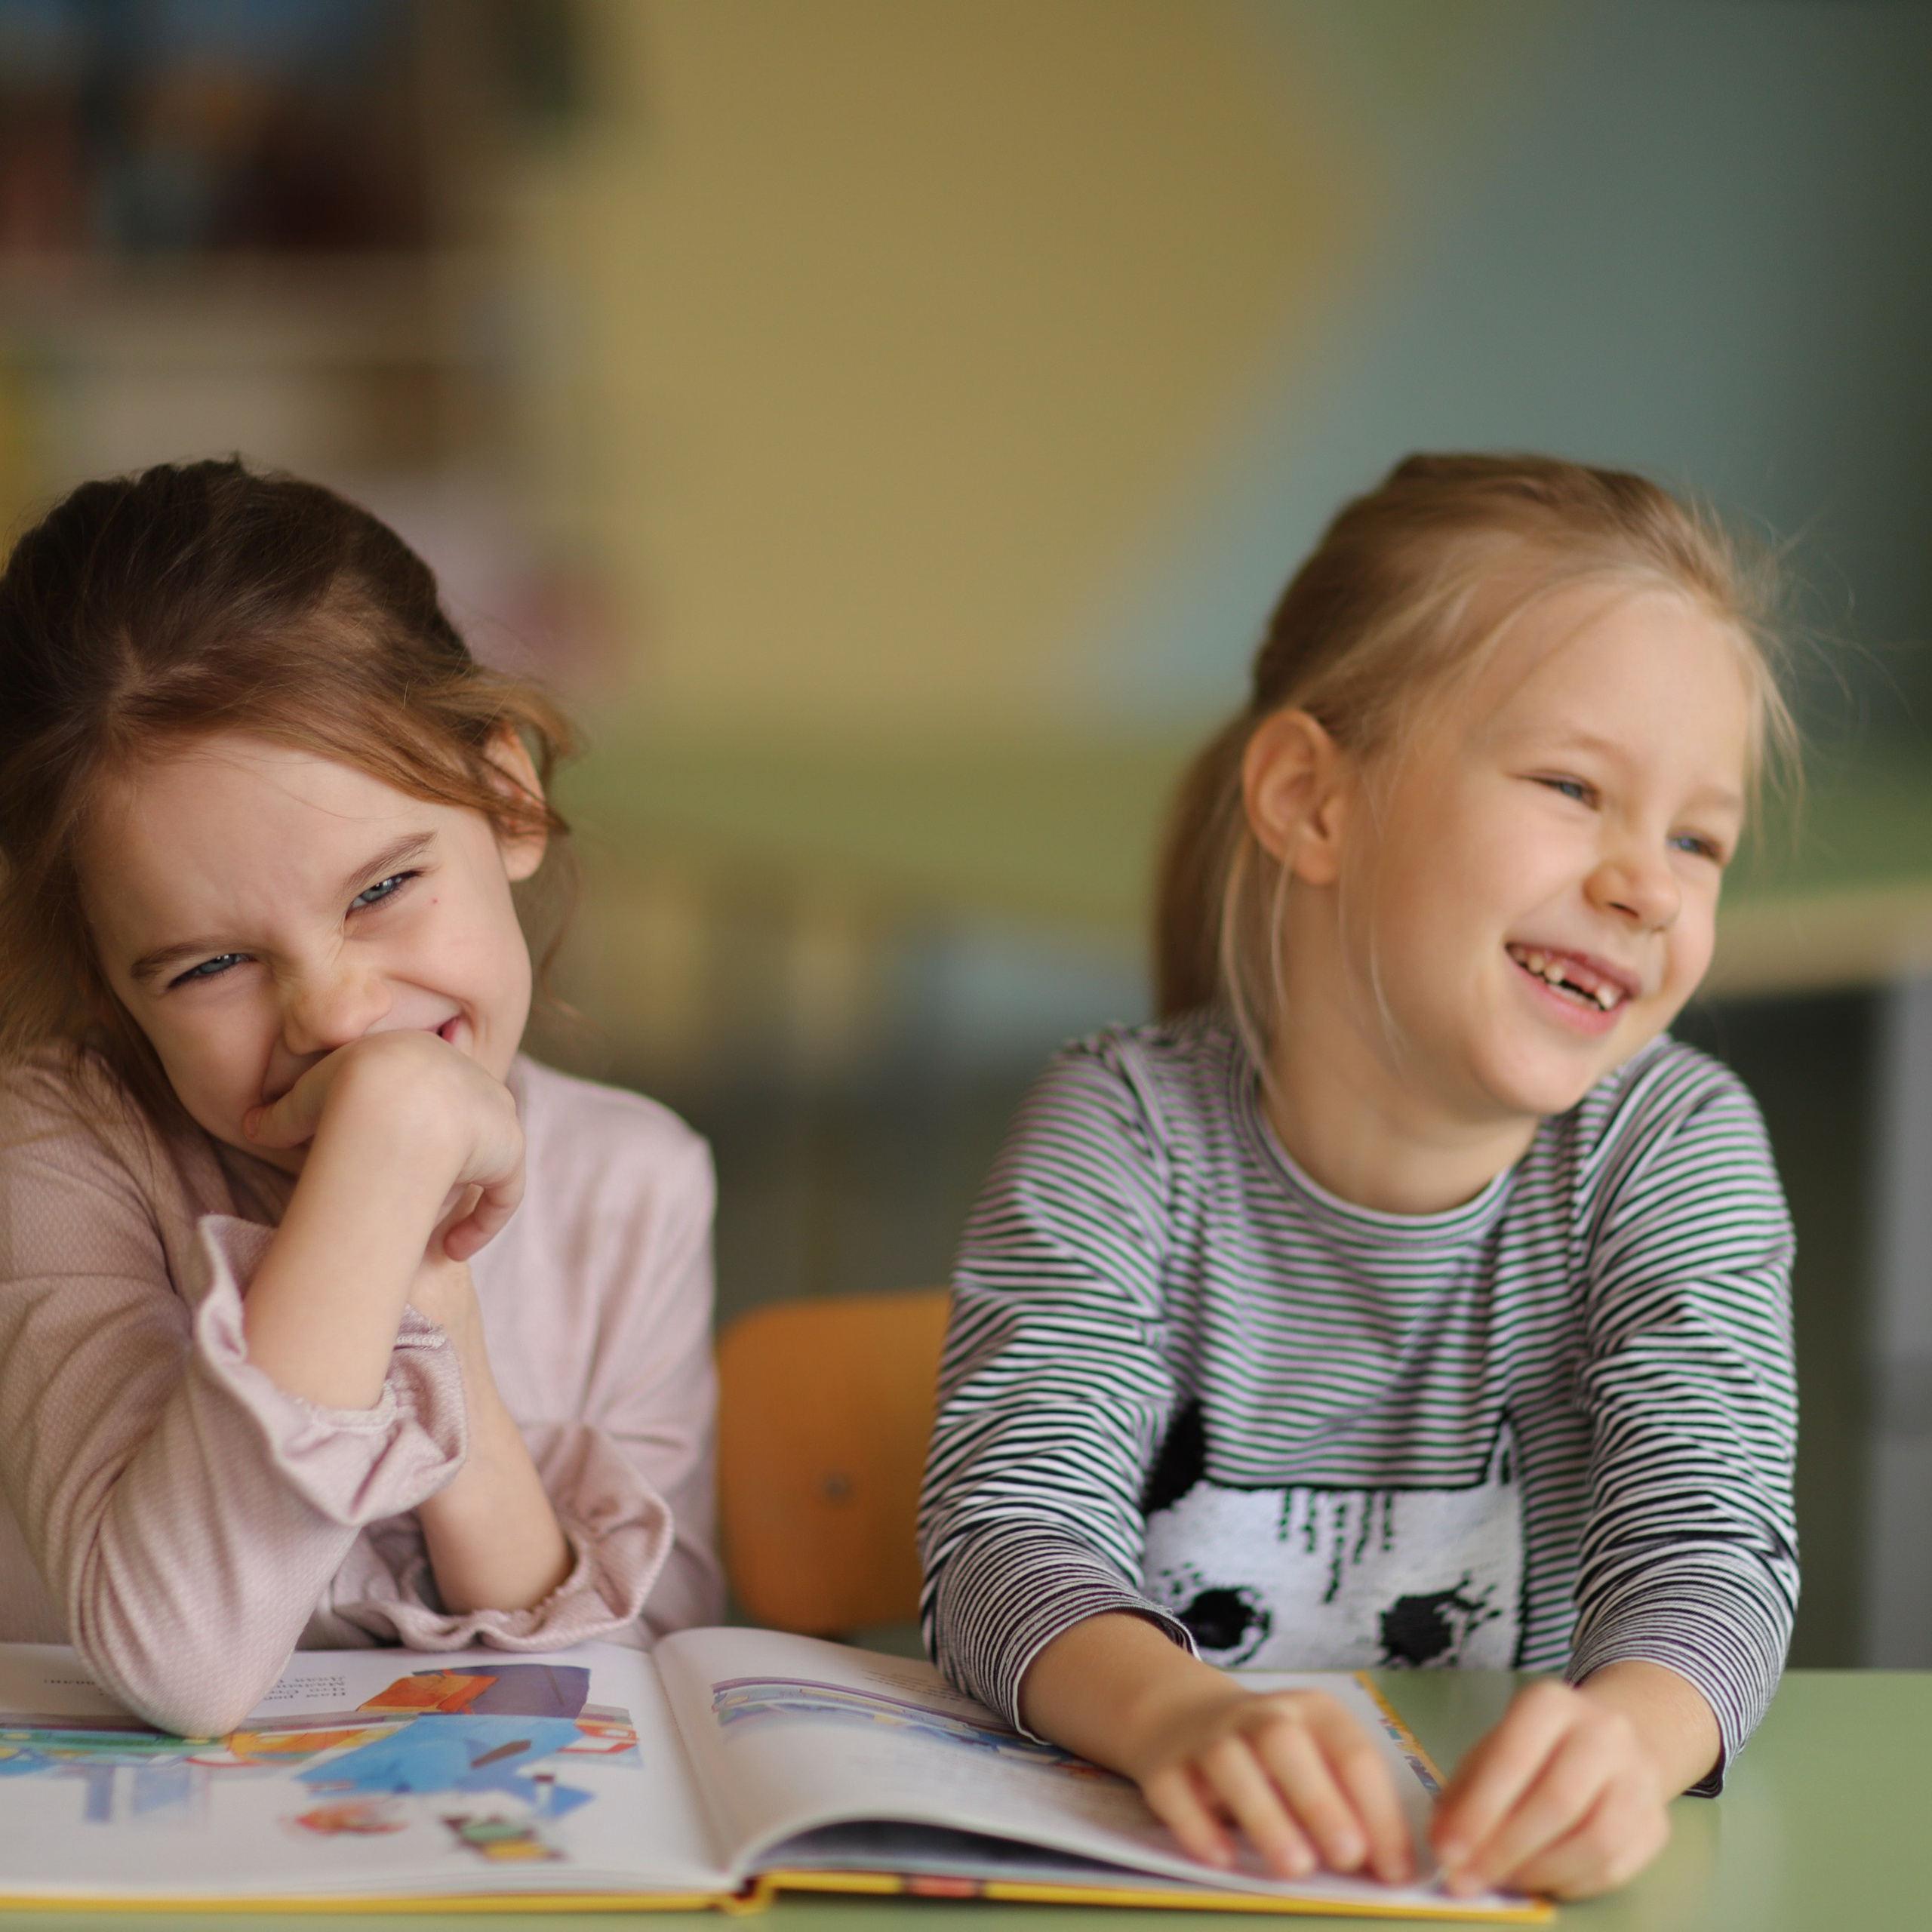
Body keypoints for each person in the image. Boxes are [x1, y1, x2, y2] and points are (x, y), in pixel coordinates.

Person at [918, 454, 1799, 1901]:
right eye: (1576, 787)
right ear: (1311, 802)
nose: (1648, 883)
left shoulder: (1673, 1147)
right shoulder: (1120, 1133)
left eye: (1699, 838)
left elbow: (1711, 1541)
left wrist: (1631, 1745)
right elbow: (1008, 1532)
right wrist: (1176, 1714)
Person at [0, 460, 720, 1738]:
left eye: (382, 889)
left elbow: (635, 1699)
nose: (334, 1016)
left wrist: (426, 1290)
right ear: (115, 992)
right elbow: (180, 1662)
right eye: (212, 965)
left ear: (508, 794)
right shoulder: (57, 1155)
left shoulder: (635, 1184)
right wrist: (381, 1173)